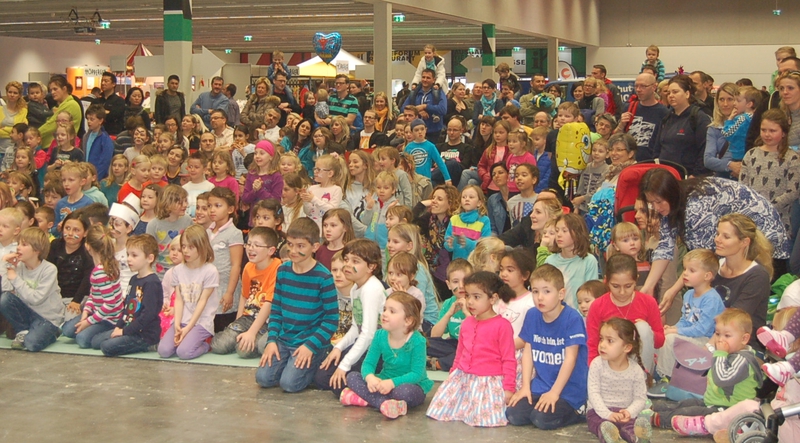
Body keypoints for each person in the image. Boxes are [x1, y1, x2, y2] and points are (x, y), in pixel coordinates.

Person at [639, 169, 790, 300]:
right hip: (738, 235)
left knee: (754, 293)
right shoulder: (672, 204)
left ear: (670, 194)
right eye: (651, 203)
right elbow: (665, 247)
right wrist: (648, 286)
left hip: (764, 235)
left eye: (659, 202)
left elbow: (704, 258)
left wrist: (673, 291)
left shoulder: (696, 207)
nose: (656, 208)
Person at [650, 309, 763, 439]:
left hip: (726, 409)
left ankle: (658, 419)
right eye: (718, 334)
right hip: (712, 401)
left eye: (727, 336)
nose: (720, 340)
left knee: (690, 412)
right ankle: (653, 407)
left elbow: (722, 379)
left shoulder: (743, 360)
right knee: (685, 403)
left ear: (744, 339)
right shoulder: (730, 354)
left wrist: (720, 354)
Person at [256, 217, 338, 393]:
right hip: (284, 340)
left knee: (289, 384)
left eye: (300, 246)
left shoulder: (324, 278)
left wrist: (310, 346)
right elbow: (276, 310)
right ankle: (289, 364)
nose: (293, 251)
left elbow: (331, 320)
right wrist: (272, 340)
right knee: (263, 379)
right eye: (290, 244)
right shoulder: (283, 271)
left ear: (315, 247)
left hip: (309, 342)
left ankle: (315, 362)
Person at [427, 271, 516, 427]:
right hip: (463, 377)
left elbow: (509, 359)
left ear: (493, 298)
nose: (470, 302)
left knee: (485, 419)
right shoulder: (467, 323)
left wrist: (508, 388)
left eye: (476, 297)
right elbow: (460, 353)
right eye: (468, 296)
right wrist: (452, 375)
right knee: (439, 409)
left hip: (487, 381)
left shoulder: (502, 325)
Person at [506, 264, 588, 430]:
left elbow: (570, 359)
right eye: (535, 291)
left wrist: (554, 393)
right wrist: (525, 387)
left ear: (561, 294)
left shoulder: (572, 318)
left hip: (568, 390)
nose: (540, 297)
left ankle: (578, 411)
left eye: (546, 291)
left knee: (542, 419)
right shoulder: (532, 315)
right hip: (541, 386)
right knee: (513, 414)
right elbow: (528, 352)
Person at [340, 292, 433, 419]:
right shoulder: (379, 335)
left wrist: (392, 383)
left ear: (408, 320)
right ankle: (384, 404)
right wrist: (370, 377)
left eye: (392, 311)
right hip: (383, 381)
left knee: (404, 393)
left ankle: (366, 399)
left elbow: (417, 374)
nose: (384, 313)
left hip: (410, 384)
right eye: (384, 309)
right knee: (352, 377)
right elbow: (368, 364)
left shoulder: (418, 341)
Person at [316, 239, 385, 397]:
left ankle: (374, 386)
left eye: (355, 261)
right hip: (365, 345)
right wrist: (338, 348)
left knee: (337, 384)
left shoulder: (372, 289)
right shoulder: (356, 288)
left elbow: (368, 334)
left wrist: (344, 365)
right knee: (322, 378)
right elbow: (356, 327)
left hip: (378, 350)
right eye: (346, 259)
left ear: (371, 267)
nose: (347, 265)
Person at [651, 249, 724, 393]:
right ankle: (655, 373)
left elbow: (702, 329)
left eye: (691, 270)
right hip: (692, 336)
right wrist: (672, 328)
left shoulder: (711, 299)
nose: (685, 273)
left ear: (707, 276)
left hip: (707, 341)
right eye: (684, 269)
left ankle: (667, 378)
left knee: (671, 339)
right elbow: (685, 320)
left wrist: (675, 331)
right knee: (661, 336)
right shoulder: (689, 294)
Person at [587, 254, 665, 374]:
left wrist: (647, 332)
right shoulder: (598, 305)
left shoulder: (648, 302)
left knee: (642, 327)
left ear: (636, 280)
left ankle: (642, 380)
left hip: (641, 363)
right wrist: (594, 371)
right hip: (610, 365)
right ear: (606, 281)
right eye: (616, 286)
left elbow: (660, 341)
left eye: (628, 286)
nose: (622, 292)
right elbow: (592, 344)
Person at [210, 227, 280, 358]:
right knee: (219, 345)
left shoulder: (278, 268)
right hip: (248, 317)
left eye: (257, 245)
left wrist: (252, 333)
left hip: (268, 320)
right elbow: (244, 295)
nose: (250, 248)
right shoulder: (248, 267)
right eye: (248, 244)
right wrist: (238, 321)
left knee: (244, 350)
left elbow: (269, 303)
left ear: (271, 250)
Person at [158, 225, 220, 360]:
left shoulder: (210, 271)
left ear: (201, 247)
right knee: (163, 351)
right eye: (183, 246)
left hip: (201, 322)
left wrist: (188, 328)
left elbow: (202, 301)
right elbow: (179, 300)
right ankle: (187, 338)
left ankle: (205, 345)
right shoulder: (178, 270)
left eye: (191, 247)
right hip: (182, 320)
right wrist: (177, 324)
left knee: (184, 353)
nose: (185, 251)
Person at [587, 317, 652, 443]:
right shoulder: (597, 364)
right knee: (603, 426)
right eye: (601, 339)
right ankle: (613, 439)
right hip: (598, 412)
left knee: (630, 426)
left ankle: (639, 438)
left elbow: (640, 398)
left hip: (624, 413)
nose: (602, 345)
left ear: (626, 347)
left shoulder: (636, 370)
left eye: (610, 341)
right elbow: (594, 394)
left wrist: (629, 412)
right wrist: (607, 414)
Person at [0, 227, 63, 351]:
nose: (18, 248)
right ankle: (22, 330)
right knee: (5, 298)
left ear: (37, 250)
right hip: (27, 312)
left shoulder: (49, 269)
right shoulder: (19, 266)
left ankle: (53, 332)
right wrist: (5, 265)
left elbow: (36, 299)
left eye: (24, 245)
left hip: (46, 317)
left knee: (32, 344)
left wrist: (15, 278)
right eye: (18, 244)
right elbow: (6, 290)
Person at [60, 225, 123, 348]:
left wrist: (88, 322)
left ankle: (112, 330)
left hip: (109, 319)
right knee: (67, 330)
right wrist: (86, 312)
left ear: (87, 246)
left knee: (82, 340)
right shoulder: (104, 265)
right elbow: (93, 294)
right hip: (98, 313)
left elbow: (110, 303)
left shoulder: (100, 272)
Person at [739, 108, 800, 234]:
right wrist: (753, 206)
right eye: (763, 130)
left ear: (783, 133)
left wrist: (767, 206)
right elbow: (743, 186)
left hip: (779, 219)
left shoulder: (792, 158)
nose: (767, 134)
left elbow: (793, 191)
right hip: (752, 217)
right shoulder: (751, 154)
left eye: (772, 131)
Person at [205, 188, 244, 332]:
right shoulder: (206, 231)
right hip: (209, 287)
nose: (212, 210)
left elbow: (236, 265)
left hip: (225, 288)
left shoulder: (234, 233)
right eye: (209, 206)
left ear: (230, 209)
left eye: (217, 205)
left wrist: (229, 292)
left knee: (222, 327)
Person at [544, 213, 599, 310]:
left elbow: (591, 295)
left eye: (564, 231)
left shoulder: (589, 261)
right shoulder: (550, 261)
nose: (559, 234)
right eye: (557, 230)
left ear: (577, 233)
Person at [428, 259, 472, 371]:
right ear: (448, 285)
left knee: (471, 354)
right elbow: (435, 335)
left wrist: (467, 312)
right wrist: (448, 314)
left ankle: (438, 363)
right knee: (425, 343)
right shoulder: (448, 303)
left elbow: (480, 334)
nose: (461, 286)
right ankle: (444, 360)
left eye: (465, 280)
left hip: (472, 346)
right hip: (454, 344)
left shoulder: (476, 302)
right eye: (455, 281)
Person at [616, 73, 669, 161]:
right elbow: (615, 138)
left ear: (654, 87)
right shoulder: (629, 108)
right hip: (628, 161)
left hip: (649, 162)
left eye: (643, 86)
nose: (638, 89)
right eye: (636, 86)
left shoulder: (664, 112)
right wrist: (621, 125)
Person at [146, 184, 191, 279]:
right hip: (160, 275)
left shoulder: (187, 221)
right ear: (168, 203)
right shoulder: (153, 225)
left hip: (183, 273)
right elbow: (150, 252)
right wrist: (152, 275)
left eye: (185, 201)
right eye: (180, 202)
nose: (185, 205)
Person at [703, 82, 740, 178]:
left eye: (730, 99)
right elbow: (708, 160)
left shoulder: (747, 124)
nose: (725, 104)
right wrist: (730, 165)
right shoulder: (713, 128)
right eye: (721, 99)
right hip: (722, 178)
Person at [444, 185, 491, 260]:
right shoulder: (454, 219)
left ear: (479, 203)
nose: (467, 199)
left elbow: (485, 246)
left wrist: (468, 243)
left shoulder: (484, 221)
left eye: (471, 197)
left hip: (475, 264)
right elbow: (446, 244)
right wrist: (450, 244)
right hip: (457, 263)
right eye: (464, 197)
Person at [38, 76, 83, 148]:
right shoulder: (59, 106)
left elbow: (51, 125)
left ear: (64, 89)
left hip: (59, 147)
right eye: (51, 90)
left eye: (55, 89)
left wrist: (34, 134)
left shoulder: (71, 104)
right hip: (51, 146)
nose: (52, 92)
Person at [404, 70, 448, 141]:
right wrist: (418, 111)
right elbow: (403, 109)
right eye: (423, 77)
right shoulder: (414, 93)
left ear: (434, 80)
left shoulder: (439, 93)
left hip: (434, 133)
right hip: (416, 132)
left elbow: (443, 109)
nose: (425, 80)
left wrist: (425, 106)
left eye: (428, 78)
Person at [404, 119, 451, 184]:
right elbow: (403, 165)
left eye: (422, 129)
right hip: (412, 181)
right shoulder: (408, 147)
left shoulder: (431, 146)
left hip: (426, 181)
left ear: (426, 129)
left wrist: (447, 178)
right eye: (416, 130)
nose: (420, 132)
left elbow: (440, 162)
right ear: (412, 132)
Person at [80, 104, 114, 181]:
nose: (89, 122)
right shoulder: (85, 136)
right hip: (86, 175)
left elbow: (105, 162)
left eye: (92, 119)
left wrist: (96, 178)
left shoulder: (105, 139)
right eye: (88, 119)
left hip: (98, 178)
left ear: (100, 121)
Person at [0, 81, 28, 157]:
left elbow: (22, 131)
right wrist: (14, 131)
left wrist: (4, 129)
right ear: (6, 93)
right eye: (10, 92)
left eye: (15, 93)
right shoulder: (0, 110)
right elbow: (17, 131)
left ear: (19, 95)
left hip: (17, 151)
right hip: (1, 150)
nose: (12, 95)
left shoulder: (23, 111)